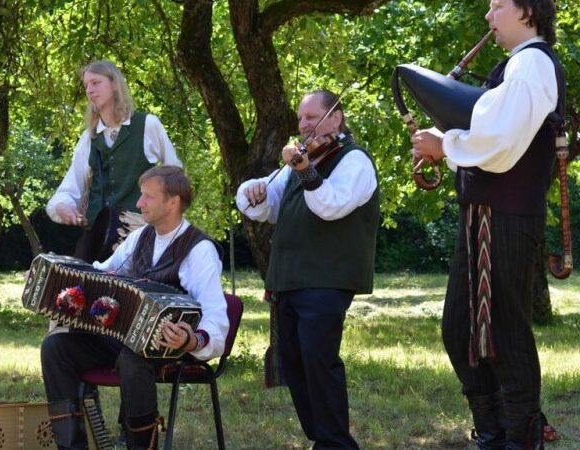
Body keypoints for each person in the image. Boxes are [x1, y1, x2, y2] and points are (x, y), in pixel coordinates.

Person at [412, 1, 563, 448]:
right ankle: (494, 433)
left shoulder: (533, 63)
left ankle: (521, 438)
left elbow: (500, 141)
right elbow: (490, 128)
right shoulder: (514, 66)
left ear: (528, 11)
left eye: (497, 5)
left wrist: (446, 144)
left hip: (508, 217)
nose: (488, 15)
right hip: (483, 214)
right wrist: (448, 141)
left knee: (505, 331)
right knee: (461, 329)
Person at [41, 165, 229, 450]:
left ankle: (141, 446)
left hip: (172, 346)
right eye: (141, 196)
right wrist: (64, 279)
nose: (139, 203)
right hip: (126, 339)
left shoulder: (199, 249)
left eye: (147, 197)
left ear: (173, 201)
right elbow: (101, 273)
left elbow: (215, 313)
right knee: (56, 347)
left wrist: (192, 339)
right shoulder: (140, 237)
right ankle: (72, 446)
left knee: (132, 358)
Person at [236, 90, 379, 449]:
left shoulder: (355, 160)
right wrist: (253, 190)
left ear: (335, 118)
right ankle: (323, 439)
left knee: (318, 362)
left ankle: (335, 443)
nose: (304, 126)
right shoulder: (302, 161)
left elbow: (331, 205)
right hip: (290, 280)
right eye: (301, 119)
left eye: (312, 118)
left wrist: (305, 170)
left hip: (328, 279)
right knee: (295, 364)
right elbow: (267, 207)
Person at [46, 60, 182, 263]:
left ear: (114, 84)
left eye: (95, 83)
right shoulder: (89, 138)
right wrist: (62, 207)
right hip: (96, 244)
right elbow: (68, 189)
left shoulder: (147, 125)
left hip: (139, 241)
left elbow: (176, 179)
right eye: (86, 86)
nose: (89, 90)